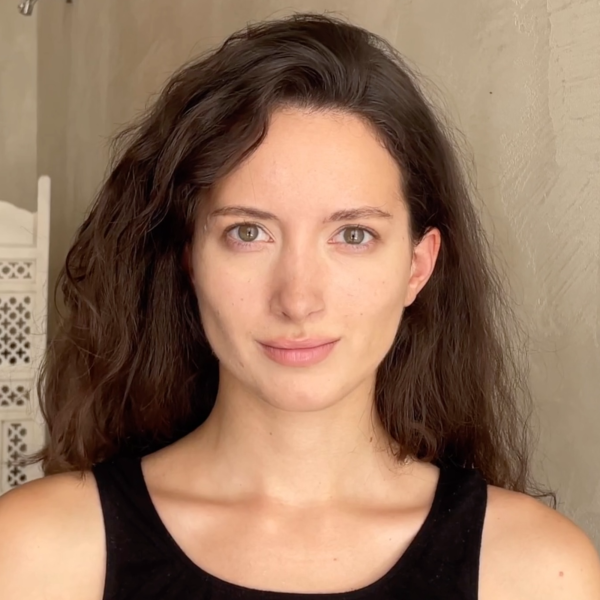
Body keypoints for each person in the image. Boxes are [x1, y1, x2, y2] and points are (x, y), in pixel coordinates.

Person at [1, 12, 599, 600]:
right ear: (190, 258)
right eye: (248, 233)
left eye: (354, 235)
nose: (298, 299)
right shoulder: (36, 554)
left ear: (418, 266)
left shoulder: (538, 573)